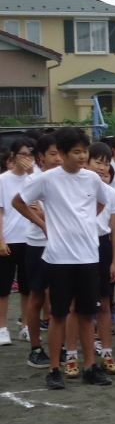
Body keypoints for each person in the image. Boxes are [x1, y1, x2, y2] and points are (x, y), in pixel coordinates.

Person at [13, 127, 113, 389]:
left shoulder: (91, 178)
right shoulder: (48, 179)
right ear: (63, 153)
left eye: (85, 151)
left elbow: (103, 202)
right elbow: (18, 202)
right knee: (58, 314)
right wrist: (44, 224)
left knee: (87, 313)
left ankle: (90, 366)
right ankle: (55, 369)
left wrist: (86, 221)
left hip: (89, 255)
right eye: (77, 152)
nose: (82, 157)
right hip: (59, 257)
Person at [20, 134, 60, 370]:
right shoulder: (33, 180)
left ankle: (61, 346)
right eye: (52, 154)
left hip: (61, 246)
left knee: (60, 300)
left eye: (59, 153)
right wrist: (46, 223)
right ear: (40, 157)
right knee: (36, 298)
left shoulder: (64, 178)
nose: (57, 159)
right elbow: (30, 209)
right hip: (37, 246)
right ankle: (36, 349)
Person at [87, 143, 115, 374]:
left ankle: (107, 352)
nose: (102, 167)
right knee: (79, 305)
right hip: (79, 246)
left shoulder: (110, 192)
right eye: (97, 162)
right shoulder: (76, 188)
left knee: (105, 302)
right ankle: (79, 353)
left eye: (106, 163)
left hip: (102, 246)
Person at [0, 138, 34, 347]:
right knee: (3, 288)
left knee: (27, 288)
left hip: (29, 239)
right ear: (12, 156)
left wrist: (32, 175)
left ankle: (26, 326)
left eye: (30, 155)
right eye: (22, 154)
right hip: (9, 239)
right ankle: (2, 328)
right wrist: (1, 239)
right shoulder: (3, 180)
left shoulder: (36, 178)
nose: (26, 159)